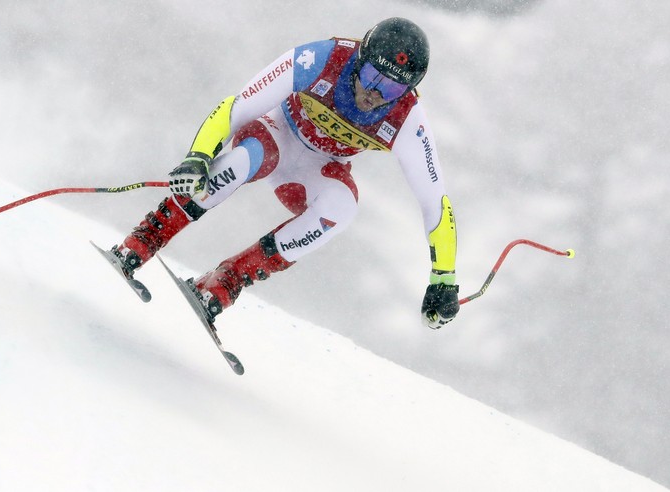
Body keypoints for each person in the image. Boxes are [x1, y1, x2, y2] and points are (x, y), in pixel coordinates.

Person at [106, 17, 460, 328]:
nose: (374, 92)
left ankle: (225, 282)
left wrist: (443, 278)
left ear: (409, 90)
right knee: (240, 162)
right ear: (359, 60)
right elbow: (237, 106)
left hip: (316, 171)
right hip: (276, 134)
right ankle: (144, 240)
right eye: (370, 75)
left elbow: (435, 203)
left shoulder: (408, 120)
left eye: (393, 88)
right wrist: (199, 155)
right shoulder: (322, 58)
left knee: (342, 209)